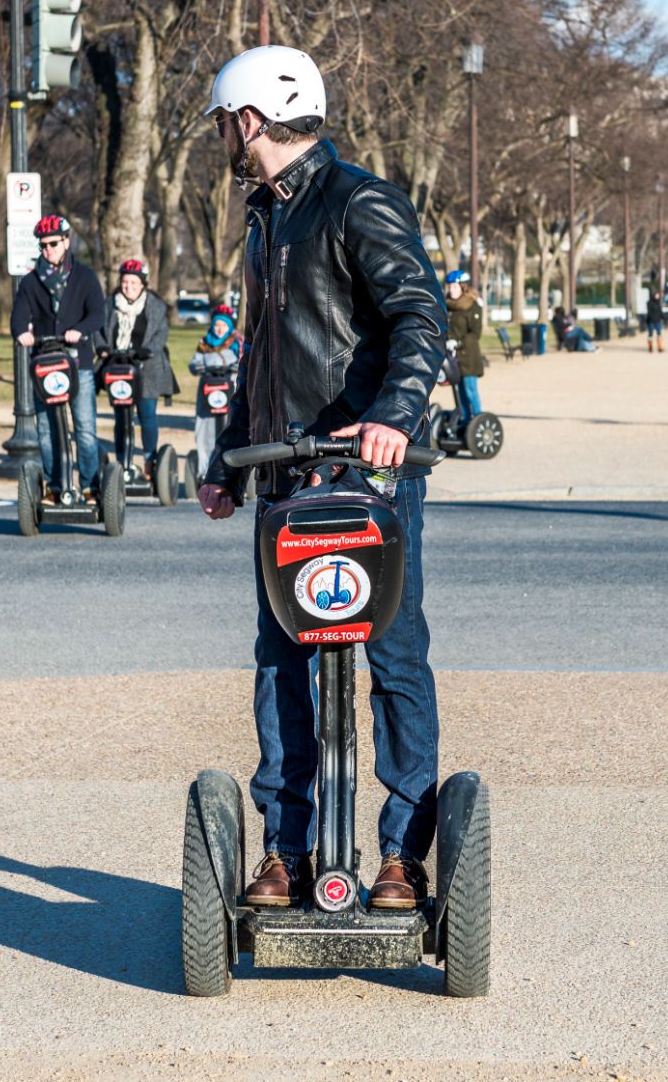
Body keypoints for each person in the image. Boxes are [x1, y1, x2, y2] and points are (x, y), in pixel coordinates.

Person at [195, 45, 447, 913]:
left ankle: (404, 855)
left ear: (250, 121)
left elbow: (420, 314)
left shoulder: (358, 200)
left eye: (225, 124)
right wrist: (230, 455)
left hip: (368, 474)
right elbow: (259, 354)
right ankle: (286, 849)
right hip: (282, 476)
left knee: (393, 654)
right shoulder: (266, 220)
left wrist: (394, 415)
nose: (223, 138)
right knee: (280, 662)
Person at [12, 214, 105, 499]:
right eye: (42, 245)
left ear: (66, 241)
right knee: (46, 432)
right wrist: (21, 333)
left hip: (80, 364)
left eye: (53, 243)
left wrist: (79, 331)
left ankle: (89, 486)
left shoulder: (85, 277)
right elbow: (18, 317)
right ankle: (54, 488)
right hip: (45, 364)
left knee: (85, 428)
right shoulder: (30, 281)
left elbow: (98, 315)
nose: (47, 249)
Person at [97, 258, 177, 472]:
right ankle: (123, 461)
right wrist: (102, 347)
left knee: (146, 414)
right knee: (121, 417)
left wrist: (148, 349)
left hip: (147, 368)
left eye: (134, 283)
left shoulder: (155, 306)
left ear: (142, 284)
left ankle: (150, 461)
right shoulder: (109, 304)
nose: (129, 287)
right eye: (125, 282)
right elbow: (98, 330)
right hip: (118, 366)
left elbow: (161, 334)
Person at [188, 303, 243, 474]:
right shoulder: (204, 343)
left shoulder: (236, 342)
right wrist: (200, 366)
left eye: (224, 325)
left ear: (230, 326)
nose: (220, 329)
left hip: (230, 389)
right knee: (205, 428)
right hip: (208, 391)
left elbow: (243, 361)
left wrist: (232, 365)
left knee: (231, 425)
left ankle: (232, 468)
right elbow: (194, 363)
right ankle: (205, 468)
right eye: (217, 324)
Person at [443, 271, 487, 415]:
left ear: (463, 287)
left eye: (455, 287)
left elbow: (475, 334)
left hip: (468, 356)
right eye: (449, 287)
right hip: (452, 357)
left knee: (470, 391)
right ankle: (465, 421)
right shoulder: (447, 305)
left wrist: (457, 343)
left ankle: (476, 422)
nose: (451, 290)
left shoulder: (473, 306)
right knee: (458, 393)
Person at [642, 285, 665, 352]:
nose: (657, 296)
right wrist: (650, 319)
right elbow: (649, 312)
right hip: (651, 321)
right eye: (656, 295)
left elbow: (660, 312)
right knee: (650, 334)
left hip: (658, 320)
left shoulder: (658, 303)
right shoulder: (649, 303)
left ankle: (659, 347)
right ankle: (650, 347)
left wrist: (664, 318)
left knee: (659, 333)